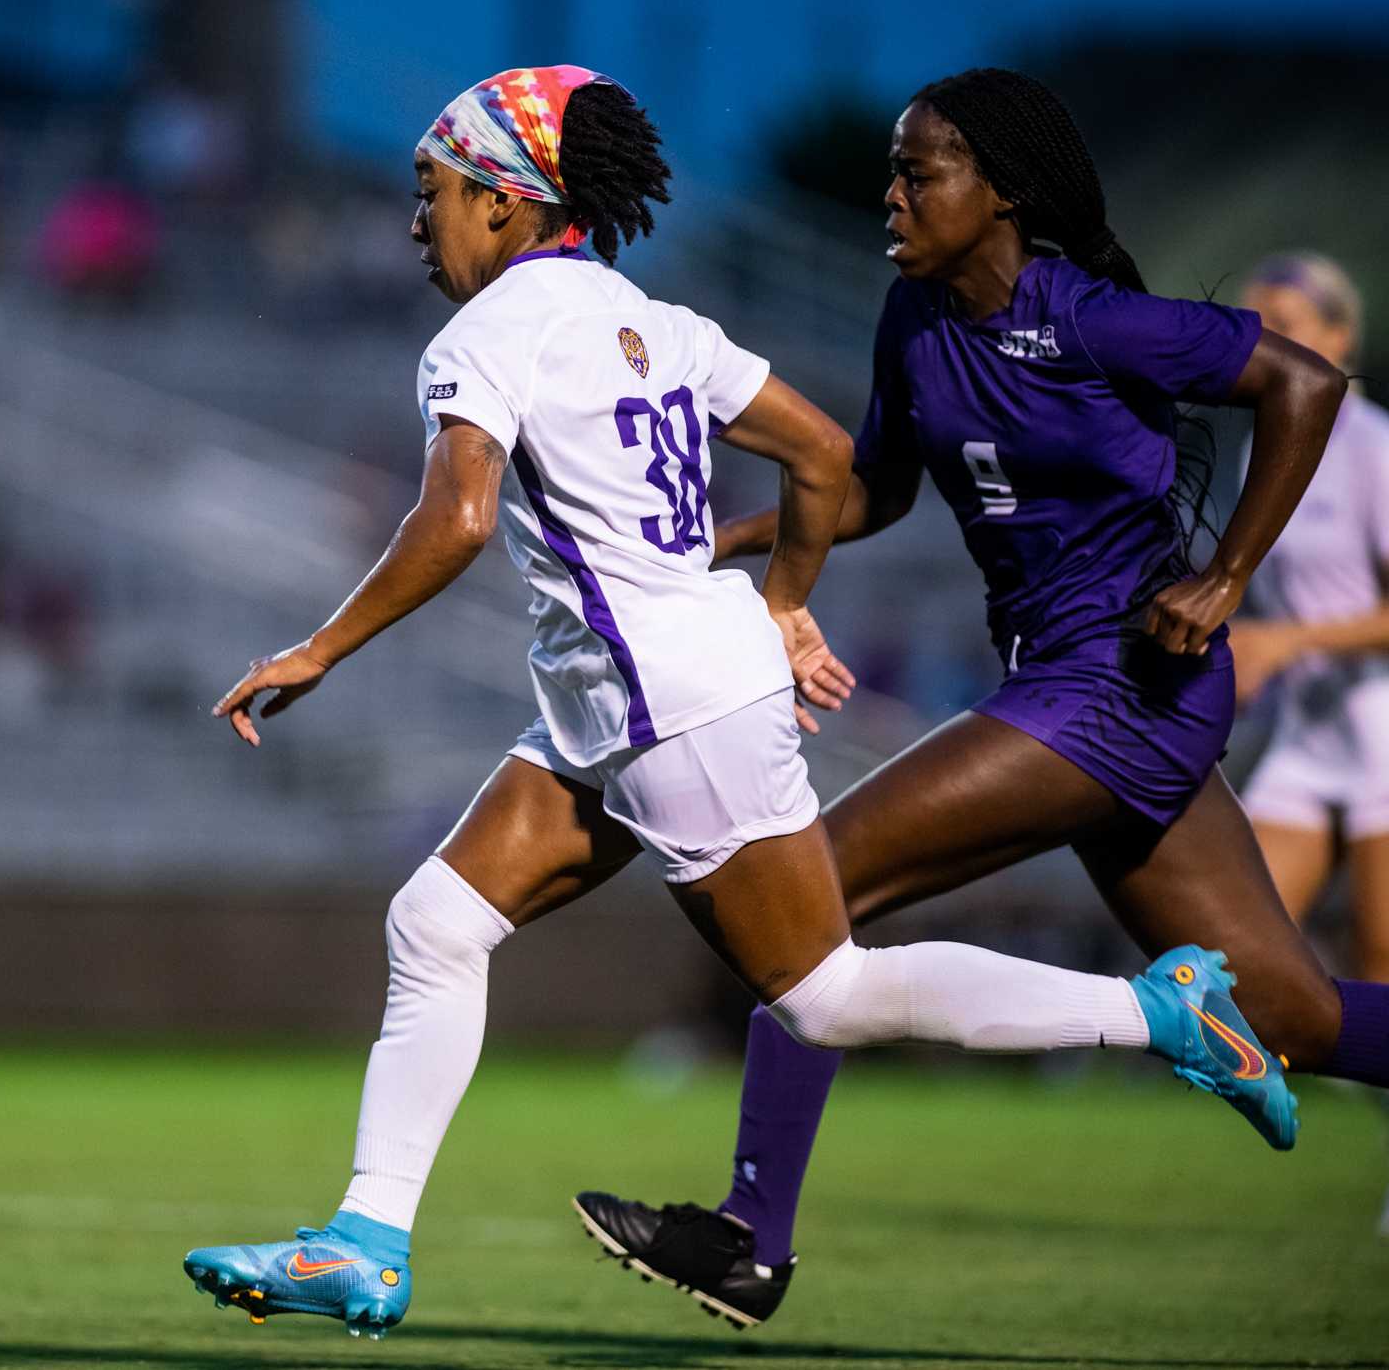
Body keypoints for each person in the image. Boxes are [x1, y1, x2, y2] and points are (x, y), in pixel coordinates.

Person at [178, 65, 1297, 1342]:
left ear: (501, 201)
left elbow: (459, 517)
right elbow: (824, 456)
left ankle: (1158, 1012)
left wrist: (322, 647)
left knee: (820, 994)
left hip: (664, 706)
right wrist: (781, 604)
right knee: (433, 923)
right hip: (630, 703)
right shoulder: (647, 315)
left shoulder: (483, 337)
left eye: (429, 193)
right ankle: (364, 1242)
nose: (415, 223)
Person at [573, 68, 1366, 1331]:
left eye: (917, 172)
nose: (890, 195)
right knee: (1297, 1014)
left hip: (1124, 682)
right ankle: (1202, 1030)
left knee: (814, 887)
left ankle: (747, 1242)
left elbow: (1304, 385)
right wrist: (732, 540)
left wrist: (1225, 579)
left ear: (1002, 194)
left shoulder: (1095, 321)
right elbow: (879, 490)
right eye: (891, 170)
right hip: (1066, 692)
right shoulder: (914, 319)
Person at [1223, 252, 1389, 1234]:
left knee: (1380, 959)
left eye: (1283, 319)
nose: (1263, 339)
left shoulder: (1369, 443)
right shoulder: (1264, 443)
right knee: (1238, 956)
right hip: (1307, 735)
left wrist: (1289, 639)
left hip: (1381, 725)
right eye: (1254, 322)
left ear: (1335, 339)